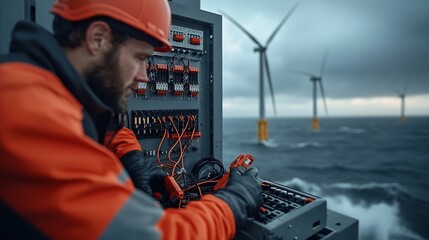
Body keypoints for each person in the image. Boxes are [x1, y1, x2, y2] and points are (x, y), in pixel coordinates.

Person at [0, 0, 263, 239]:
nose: (145, 76)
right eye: (140, 58)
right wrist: (234, 202)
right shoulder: (27, 108)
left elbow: (104, 124)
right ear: (99, 38)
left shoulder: (34, 83)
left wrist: (131, 157)